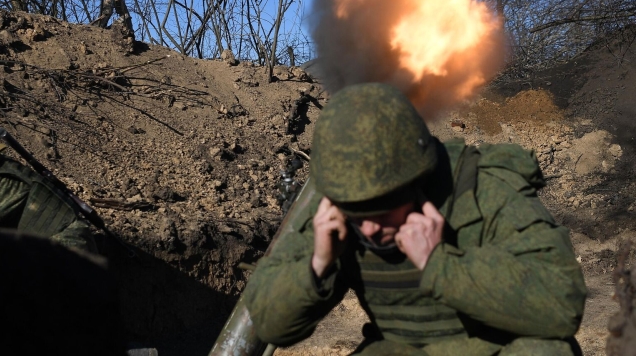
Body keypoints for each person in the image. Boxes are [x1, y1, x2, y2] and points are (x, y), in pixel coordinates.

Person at [243, 83, 587, 355]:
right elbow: (271, 326)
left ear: (418, 181)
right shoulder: (338, 201)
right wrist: (318, 264)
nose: (370, 228)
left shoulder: (483, 187)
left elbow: (561, 304)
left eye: (383, 209)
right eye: (357, 214)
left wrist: (439, 264)